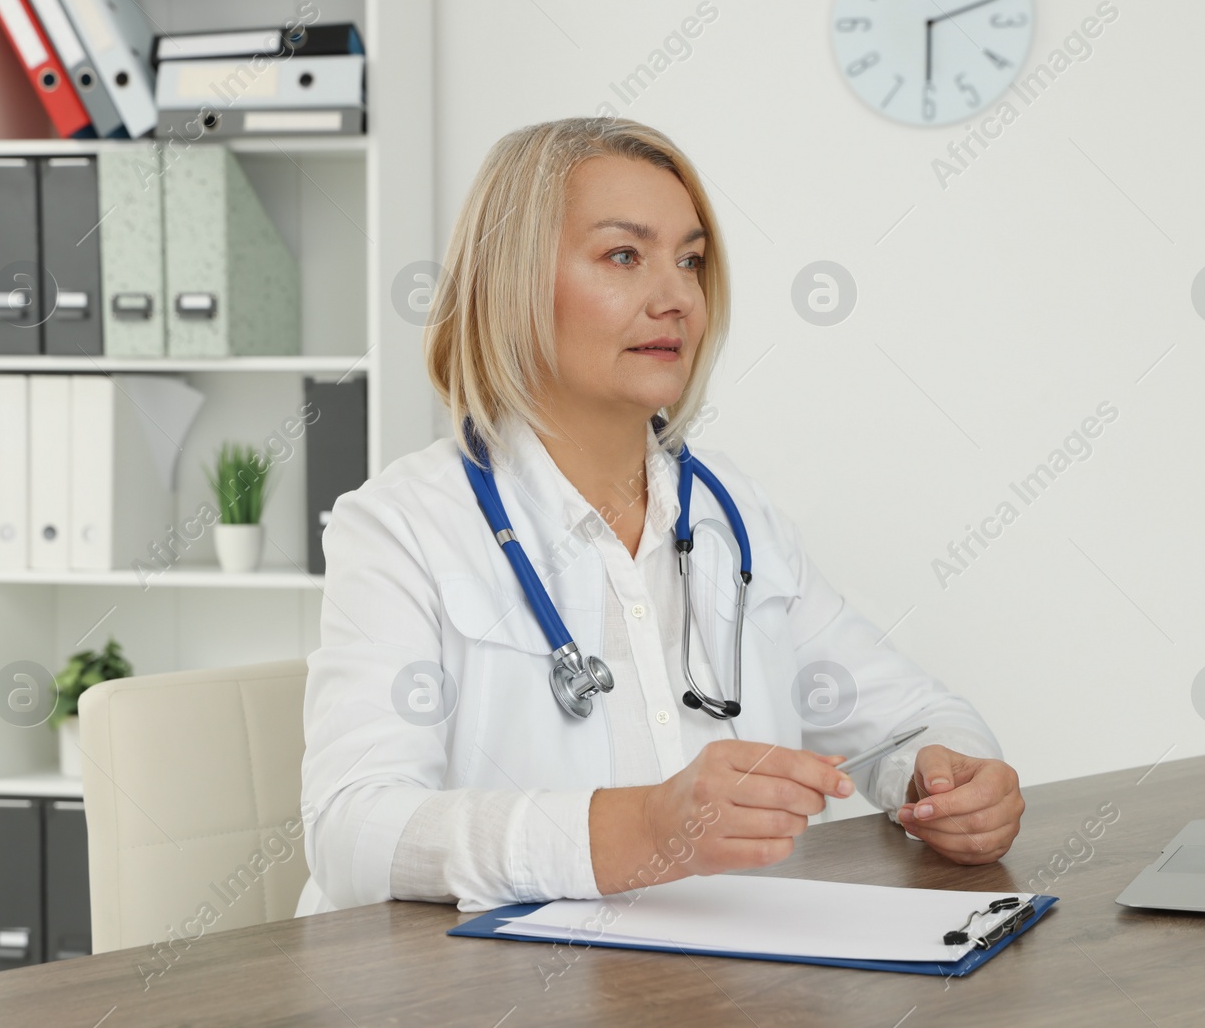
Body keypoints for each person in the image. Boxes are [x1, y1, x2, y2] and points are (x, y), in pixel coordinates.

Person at [295, 116, 1023, 916]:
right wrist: (635, 828)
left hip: (703, 983)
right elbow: (352, 829)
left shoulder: (731, 515)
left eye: (690, 261)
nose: (677, 297)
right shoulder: (402, 526)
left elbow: (914, 719)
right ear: (512, 281)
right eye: (623, 256)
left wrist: (949, 778)